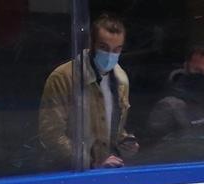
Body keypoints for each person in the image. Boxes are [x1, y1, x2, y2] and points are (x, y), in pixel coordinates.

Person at [38, 13, 137, 171]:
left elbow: (115, 130)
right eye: (104, 48)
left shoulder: (121, 80)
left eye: (116, 50)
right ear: (91, 44)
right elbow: (51, 134)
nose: (110, 55)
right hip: (67, 172)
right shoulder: (63, 78)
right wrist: (90, 162)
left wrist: (126, 141)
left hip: (107, 169)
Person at [146, 45, 204, 160]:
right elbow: (155, 152)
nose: (203, 75)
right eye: (198, 71)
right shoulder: (169, 106)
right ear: (186, 67)